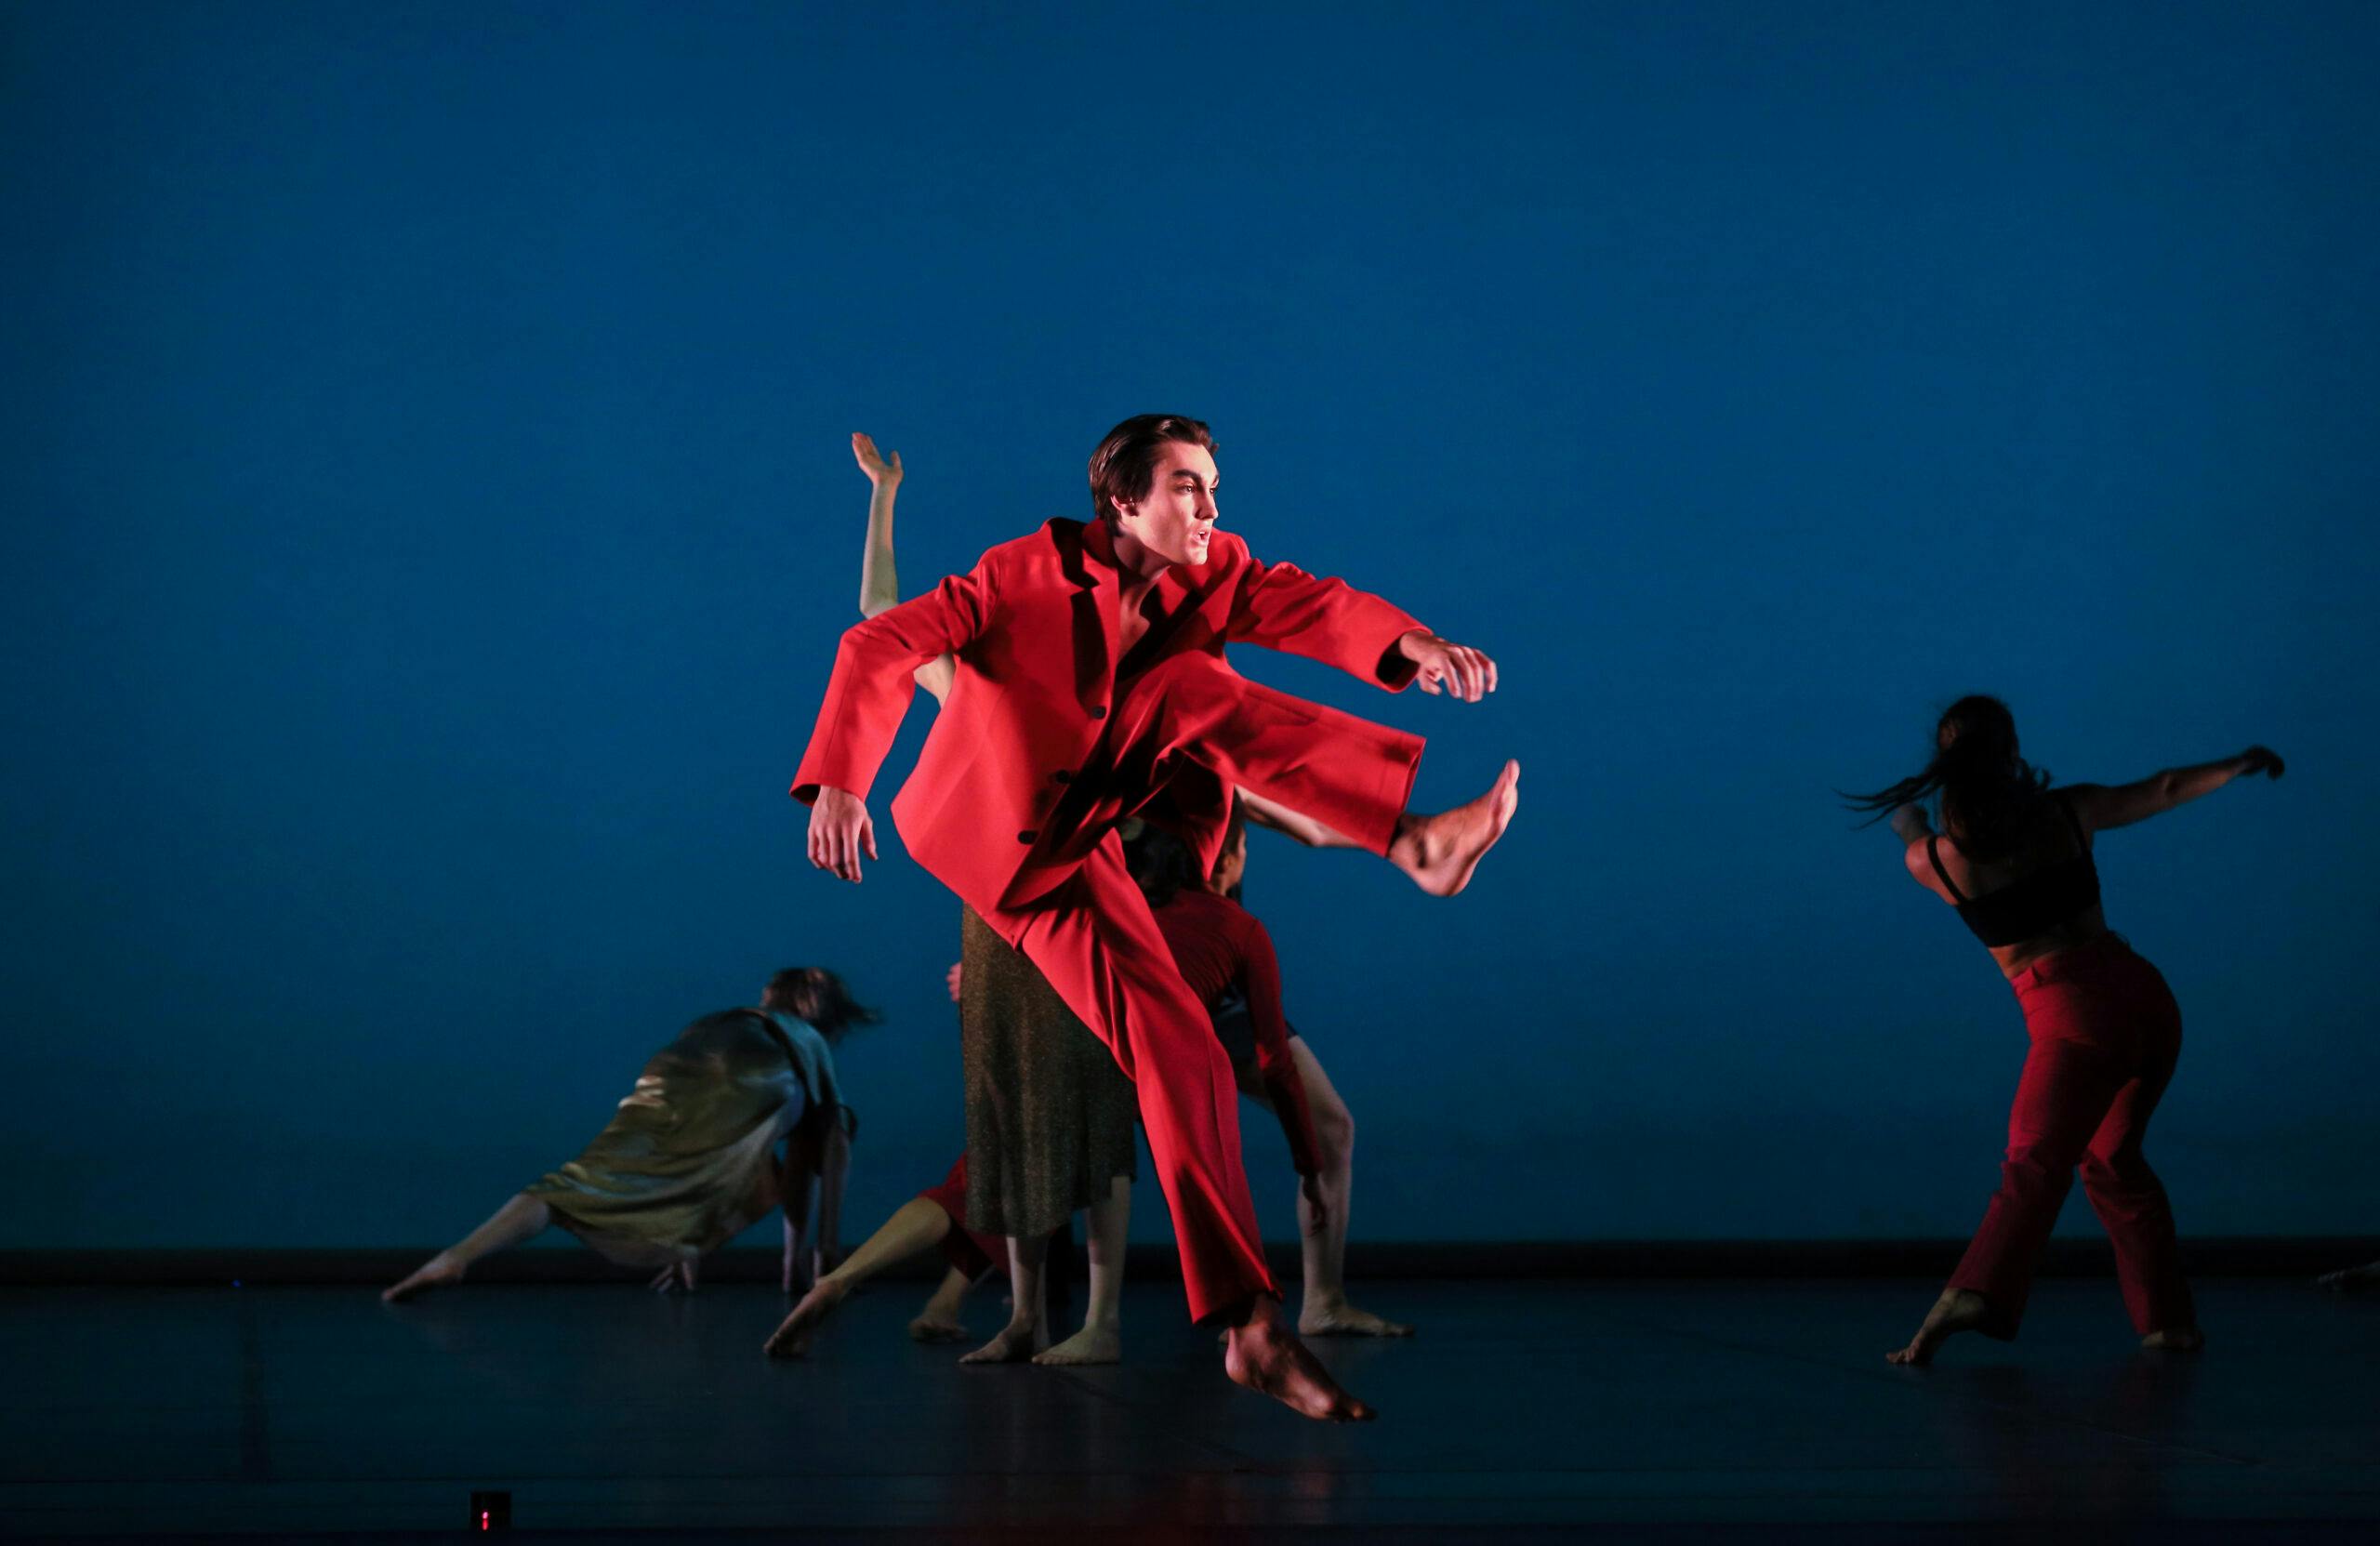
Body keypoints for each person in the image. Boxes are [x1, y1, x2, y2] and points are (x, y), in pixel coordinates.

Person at [794, 415, 1517, 1420]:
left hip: (1078, 851)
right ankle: (1408, 839)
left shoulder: (1213, 574)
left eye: (1215, 486)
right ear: (1124, 502)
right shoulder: (1020, 575)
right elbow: (880, 633)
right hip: (988, 837)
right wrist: (841, 781)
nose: (1211, 508)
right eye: (1187, 487)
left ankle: (1250, 1330)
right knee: (1187, 685)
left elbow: (1310, 604)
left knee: (1184, 1049)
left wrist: (1413, 643)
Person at [1846, 695, 2282, 1365]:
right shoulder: (2066, 812)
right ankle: (2168, 1322)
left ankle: (1971, 1293)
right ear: (2012, 754)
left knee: (2033, 1160)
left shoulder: (1939, 860)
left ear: (1948, 765)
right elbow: (2163, 788)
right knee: (2112, 1158)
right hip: (2146, 999)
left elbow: (1914, 839)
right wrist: (2234, 765)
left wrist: (1907, 818)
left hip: (2075, 1019)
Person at [383, 968, 867, 1302]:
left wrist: (681, 1239)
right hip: (756, 1077)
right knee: (825, 1126)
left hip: (670, 1071)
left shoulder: (723, 1020)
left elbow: (701, 1154)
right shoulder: (805, 1037)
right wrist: (825, 1248)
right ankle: (809, 1264)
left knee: (575, 1183)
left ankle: (457, 1256)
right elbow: (829, 1141)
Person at [1139, 806, 1415, 1338]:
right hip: (1163, 1013)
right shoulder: (1154, 845)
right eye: (1243, 848)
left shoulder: (1230, 918)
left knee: (1332, 1127)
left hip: (1221, 1001)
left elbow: (1308, 823)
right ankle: (1246, 1314)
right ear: (1226, 857)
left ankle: (1321, 1301)